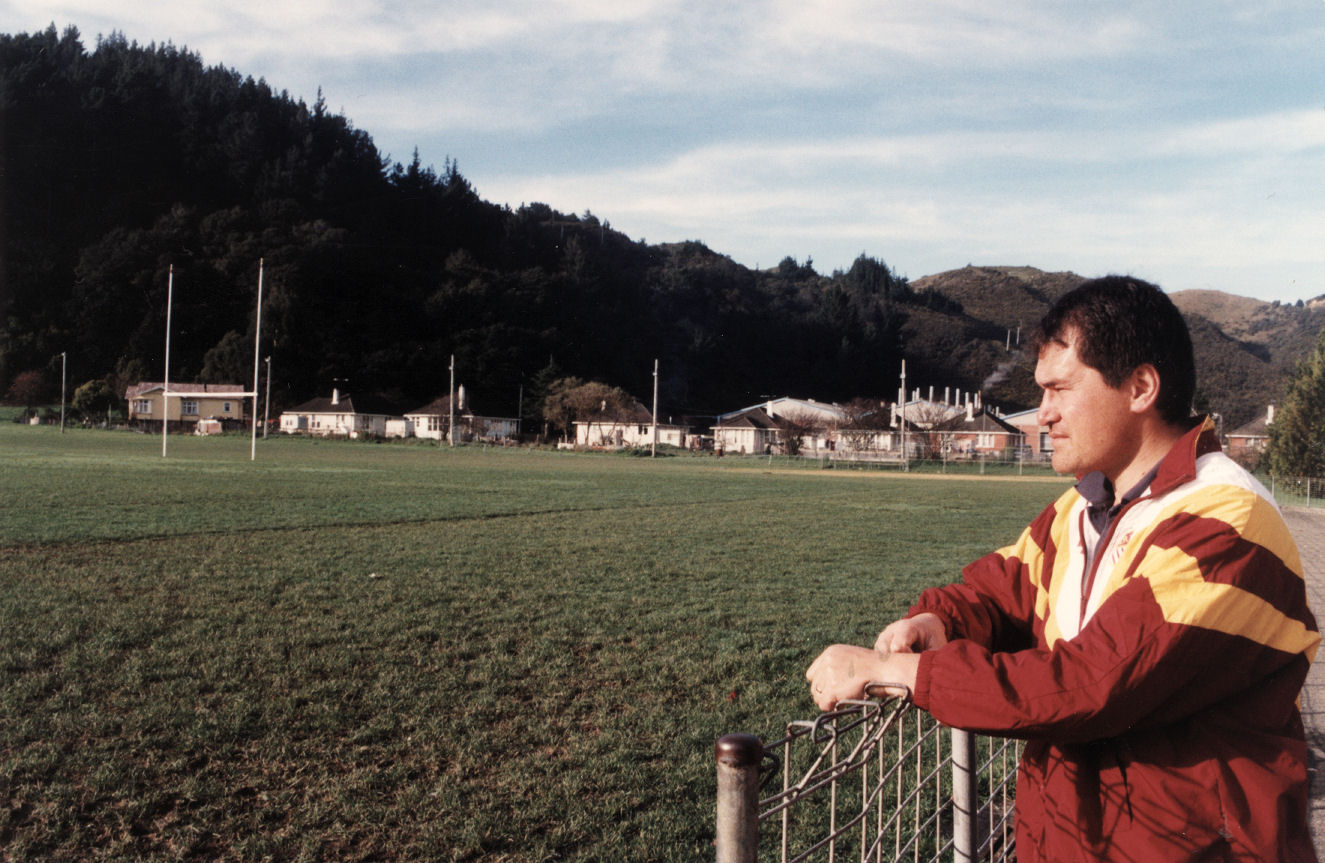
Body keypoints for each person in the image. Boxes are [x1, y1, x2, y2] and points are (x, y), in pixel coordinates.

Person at [806, 276, 1320, 862]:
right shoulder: (1085, 505)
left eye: (1059, 389)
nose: (1043, 414)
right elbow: (1003, 588)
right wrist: (938, 620)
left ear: (1141, 387)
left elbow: (1092, 683)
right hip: (1069, 839)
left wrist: (901, 673)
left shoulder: (1227, 522)